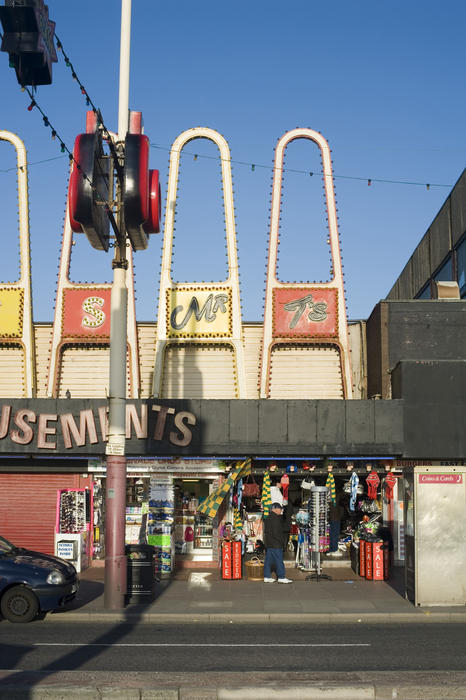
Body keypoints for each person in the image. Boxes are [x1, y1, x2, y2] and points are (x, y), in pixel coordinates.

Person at [263, 502, 293, 583]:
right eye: (280, 509)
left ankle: (266, 576)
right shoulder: (276, 518)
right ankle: (281, 576)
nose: (281, 511)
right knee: (279, 560)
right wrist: (282, 542)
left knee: (268, 561)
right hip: (276, 543)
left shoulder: (268, 518)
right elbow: (277, 532)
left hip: (269, 542)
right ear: (275, 509)